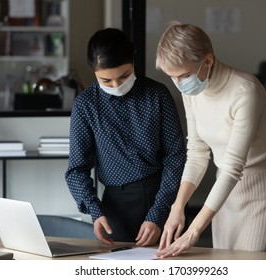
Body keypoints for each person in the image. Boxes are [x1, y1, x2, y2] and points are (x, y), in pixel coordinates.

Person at [154, 22, 266, 257]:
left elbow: (234, 167)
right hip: (223, 195)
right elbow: (196, 151)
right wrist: (178, 206)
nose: (179, 83)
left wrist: (194, 230)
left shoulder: (246, 91)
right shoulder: (192, 92)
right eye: (172, 77)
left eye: (184, 75)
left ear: (208, 60)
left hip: (259, 193)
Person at [65, 28, 186, 246]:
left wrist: (157, 214)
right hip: (114, 205)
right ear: (93, 72)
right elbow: (76, 169)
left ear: (133, 60)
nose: (116, 86)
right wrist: (95, 211)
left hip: (161, 194)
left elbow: (175, 157)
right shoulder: (85, 105)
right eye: (105, 80)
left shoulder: (157, 94)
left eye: (123, 76)